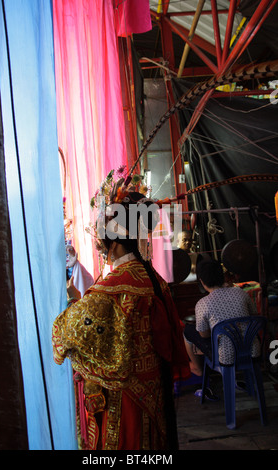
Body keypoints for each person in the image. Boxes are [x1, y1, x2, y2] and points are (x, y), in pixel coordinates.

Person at [52, 168, 190, 451]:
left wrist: (75, 299)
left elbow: (64, 334)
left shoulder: (112, 288)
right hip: (154, 390)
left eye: (101, 243)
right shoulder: (155, 281)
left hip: (124, 395)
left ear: (112, 244)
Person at [183, 259, 259, 382]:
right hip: (252, 351)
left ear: (202, 282)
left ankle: (198, 368)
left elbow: (204, 335)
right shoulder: (240, 292)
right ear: (222, 276)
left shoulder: (203, 304)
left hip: (227, 357)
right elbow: (254, 316)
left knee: (188, 330)